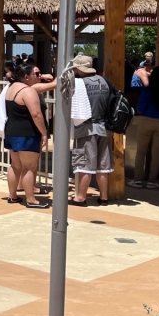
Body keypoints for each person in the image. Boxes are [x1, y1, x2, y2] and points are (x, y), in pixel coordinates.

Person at [1, 62, 48, 206]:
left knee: (15, 165)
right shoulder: (28, 91)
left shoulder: (11, 88)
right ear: (26, 76)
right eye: (36, 74)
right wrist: (44, 133)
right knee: (30, 166)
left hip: (11, 131)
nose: (39, 77)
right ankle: (31, 199)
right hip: (26, 133)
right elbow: (36, 114)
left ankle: (13, 195)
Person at [69, 54, 113, 205]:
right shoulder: (105, 81)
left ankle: (80, 197)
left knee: (85, 164)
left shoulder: (79, 84)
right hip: (104, 127)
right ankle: (104, 197)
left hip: (86, 128)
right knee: (103, 165)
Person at [128, 65, 159, 188]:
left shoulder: (148, 89)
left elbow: (141, 107)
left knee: (141, 151)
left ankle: (137, 179)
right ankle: (152, 180)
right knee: (156, 153)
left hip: (146, 120)